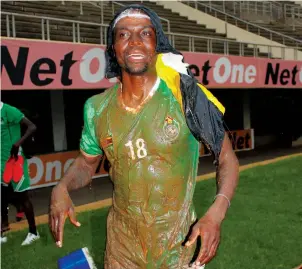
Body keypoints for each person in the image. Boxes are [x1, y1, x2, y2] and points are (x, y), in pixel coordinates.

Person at [49, 4, 239, 269]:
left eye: (145, 34)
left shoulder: (186, 95)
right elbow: (86, 163)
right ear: (113, 47)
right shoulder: (96, 108)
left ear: (157, 43)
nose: (135, 42)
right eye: (124, 35)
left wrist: (216, 214)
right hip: (121, 251)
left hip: (179, 250)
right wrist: (63, 186)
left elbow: (227, 158)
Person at [1, 102, 40, 245]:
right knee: (2, 197)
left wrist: (18, 143)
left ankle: (33, 232)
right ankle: (3, 230)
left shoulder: (9, 111)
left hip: (15, 161)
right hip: (1, 162)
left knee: (23, 197)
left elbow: (32, 126)